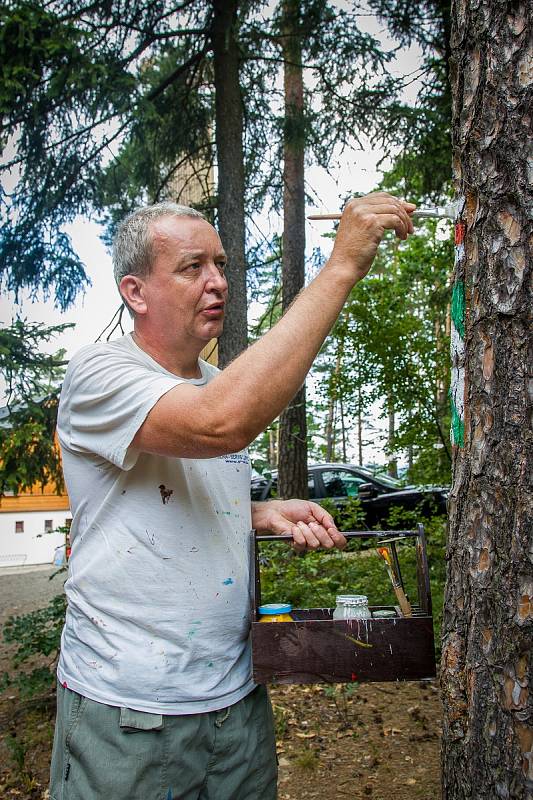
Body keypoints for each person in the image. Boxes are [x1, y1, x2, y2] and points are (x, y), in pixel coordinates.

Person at [50, 192, 415, 800]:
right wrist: (341, 266)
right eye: (193, 267)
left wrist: (257, 513)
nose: (217, 281)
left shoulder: (216, 384)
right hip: (131, 709)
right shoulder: (99, 376)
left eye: (220, 264)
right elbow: (222, 423)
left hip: (238, 703)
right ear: (135, 292)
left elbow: (163, 497)